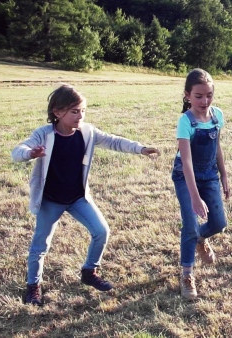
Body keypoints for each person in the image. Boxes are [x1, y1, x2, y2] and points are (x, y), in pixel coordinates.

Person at [12, 84, 160, 306]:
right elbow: (18, 151)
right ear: (57, 112)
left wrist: (140, 148)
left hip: (77, 197)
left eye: (82, 110)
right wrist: (30, 153)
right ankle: (33, 287)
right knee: (40, 246)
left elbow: (113, 141)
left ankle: (89, 272)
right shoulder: (44, 134)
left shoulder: (87, 132)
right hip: (50, 200)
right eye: (74, 111)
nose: (80, 116)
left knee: (101, 231)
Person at [171, 68, 230, 300]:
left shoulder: (217, 116)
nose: (204, 101)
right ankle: (187, 275)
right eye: (198, 96)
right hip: (185, 177)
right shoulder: (185, 121)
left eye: (209, 95)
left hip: (209, 175)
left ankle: (199, 239)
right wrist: (195, 197)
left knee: (219, 222)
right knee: (190, 224)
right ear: (187, 95)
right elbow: (185, 162)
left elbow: (217, 148)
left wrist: (224, 176)